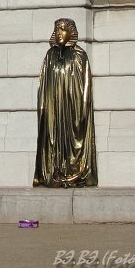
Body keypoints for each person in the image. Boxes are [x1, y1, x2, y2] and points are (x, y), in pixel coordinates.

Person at [33, 19, 97, 188]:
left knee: (73, 137)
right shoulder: (50, 55)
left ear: (71, 32)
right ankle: (53, 172)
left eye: (63, 29)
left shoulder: (80, 55)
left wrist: (81, 110)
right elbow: (44, 84)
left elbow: (85, 86)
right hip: (54, 108)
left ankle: (73, 171)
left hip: (72, 108)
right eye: (57, 30)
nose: (59, 33)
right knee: (52, 138)